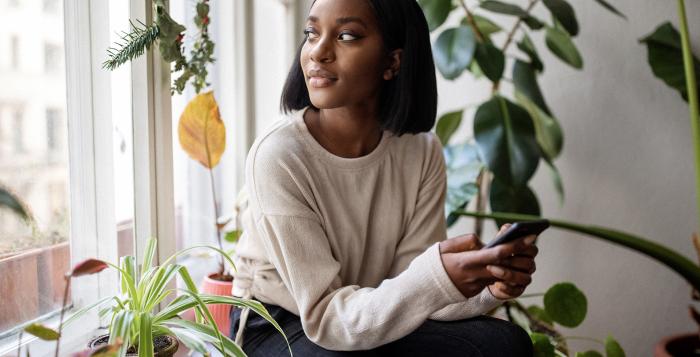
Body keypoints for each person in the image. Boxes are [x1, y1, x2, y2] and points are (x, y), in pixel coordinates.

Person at [229, 0, 538, 355]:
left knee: (505, 343)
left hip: (367, 309)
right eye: (312, 33)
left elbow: (412, 291)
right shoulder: (279, 155)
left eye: (345, 35)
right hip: (282, 322)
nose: (318, 52)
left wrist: (488, 286)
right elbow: (327, 318)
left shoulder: (421, 151)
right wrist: (434, 277)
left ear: (393, 61)